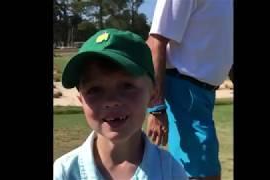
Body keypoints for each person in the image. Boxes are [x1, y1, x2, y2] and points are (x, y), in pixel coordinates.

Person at [53, 28, 188, 180]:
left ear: (153, 95)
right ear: (81, 100)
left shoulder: (170, 172)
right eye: (95, 90)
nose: (111, 101)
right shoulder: (63, 173)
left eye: (127, 86)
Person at [146, 0, 233, 179]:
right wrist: (155, 107)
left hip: (204, 94)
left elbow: (224, 46)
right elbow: (155, 43)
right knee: (202, 174)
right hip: (182, 92)